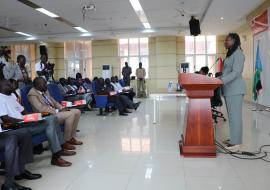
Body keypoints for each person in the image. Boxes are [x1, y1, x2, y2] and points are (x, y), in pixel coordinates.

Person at [0, 80, 75, 167]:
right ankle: (56, 156)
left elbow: (24, 112)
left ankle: (59, 150)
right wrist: (23, 121)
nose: (11, 86)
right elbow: (5, 119)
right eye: (7, 85)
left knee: (52, 118)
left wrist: (34, 117)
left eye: (10, 84)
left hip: (24, 122)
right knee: (50, 123)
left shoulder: (11, 96)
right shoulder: (0, 98)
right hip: (15, 126)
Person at [28, 77, 82, 147]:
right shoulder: (32, 94)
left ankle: (72, 137)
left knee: (77, 111)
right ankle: (66, 140)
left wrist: (61, 108)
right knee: (70, 114)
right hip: (46, 115)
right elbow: (40, 109)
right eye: (44, 83)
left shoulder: (45, 90)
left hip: (55, 111)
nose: (46, 85)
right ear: (37, 85)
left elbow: (54, 102)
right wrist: (57, 110)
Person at [220, 33, 247, 151]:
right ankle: (234, 138)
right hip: (229, 89)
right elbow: (227, 71)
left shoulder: (239, 54)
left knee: (235, 116)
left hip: (235, 89)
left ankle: (236, 143)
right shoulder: (231, 54)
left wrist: (222, 80)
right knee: (232, 116)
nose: (226, 42)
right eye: (225, 40)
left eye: (228, 40)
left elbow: (236, 72)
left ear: (235, 41)